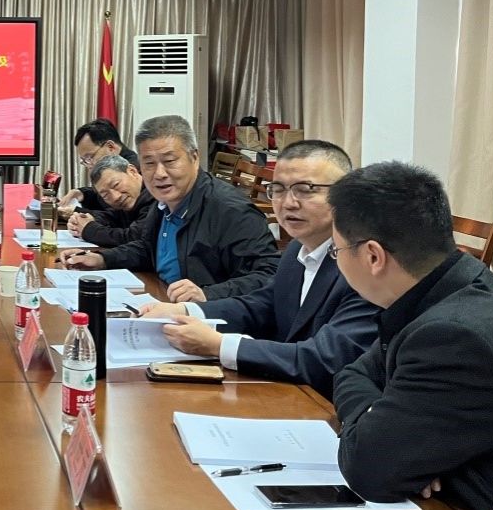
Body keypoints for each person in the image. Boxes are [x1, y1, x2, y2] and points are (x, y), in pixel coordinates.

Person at [330, 162, 493, 510]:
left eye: (337, 251)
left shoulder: (453, 336)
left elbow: (368, 469)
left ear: (373, 256)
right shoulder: (448, 288)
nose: (336, 261)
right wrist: (378, 420)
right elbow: (353, 373)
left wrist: (384, 436)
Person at [139, 140, 378, 397]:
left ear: (345, 196)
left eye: (305, 190)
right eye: (278, 189)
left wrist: (219, 345)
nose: (288, 203)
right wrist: (184, 310)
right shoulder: (295, 251)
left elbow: (326, 359)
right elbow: (261, 306)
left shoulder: (365, 267)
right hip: (288, 393)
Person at [64, 114, 279, 301]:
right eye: (149, 163)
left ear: (194, 158)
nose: (159, 174)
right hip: (163, 300)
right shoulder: (164, 202)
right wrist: (101, 259)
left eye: (169, 161)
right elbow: (148, 249)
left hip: (208, 320)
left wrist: (208, 294)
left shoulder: (230, 209)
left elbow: (269, 275)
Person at [66, 155, 157, 253]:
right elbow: (112, 217)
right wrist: (83, 220)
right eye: (105, 195)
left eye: (116, 185)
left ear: (132, 171)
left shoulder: (156, 195)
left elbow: (134, 237)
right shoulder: (128, 200)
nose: (115, 197)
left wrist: (89, 230)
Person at [60, 119, 143, 212]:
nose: (89, 165)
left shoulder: (136, 169)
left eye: (90, 157)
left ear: (110, 147)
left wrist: (77, 211)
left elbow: (114, 214)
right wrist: (82, 193)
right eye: (85, 160)